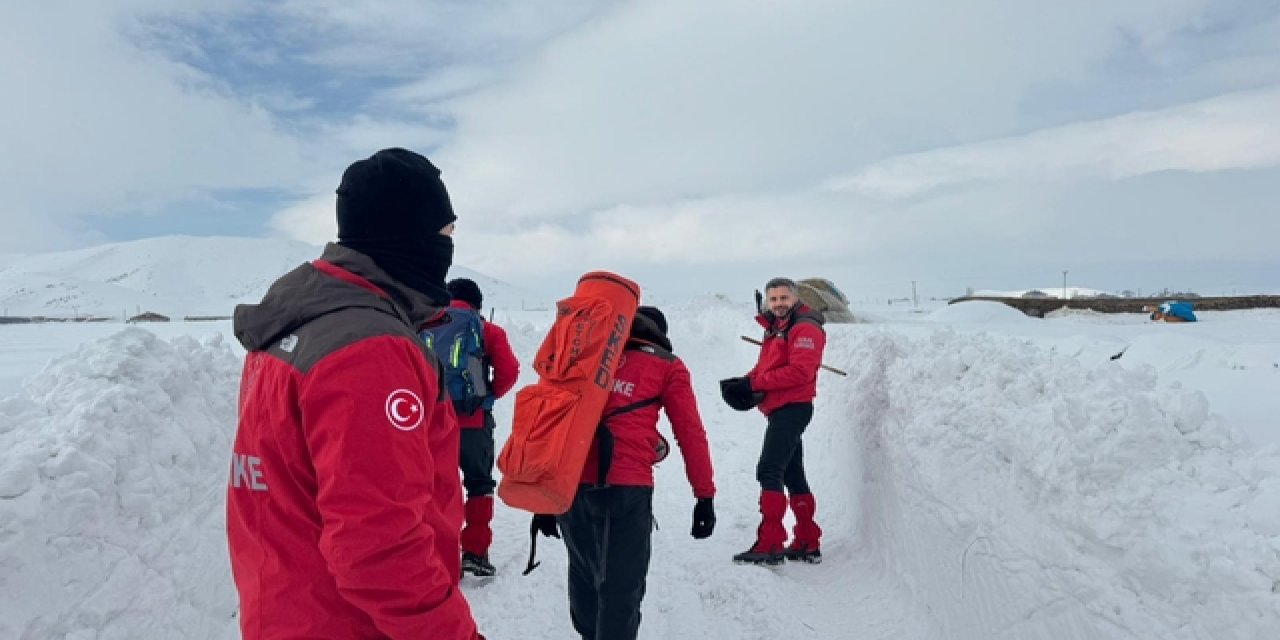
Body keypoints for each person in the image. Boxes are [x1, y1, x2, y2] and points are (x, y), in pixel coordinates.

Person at [227, 148, 484, 639]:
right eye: (445, 234)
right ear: (408, 235)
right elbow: (379, 545)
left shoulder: (292, 328)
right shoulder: (368, 349)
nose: (448, 248)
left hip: (286, 612)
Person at [535, 305, 717, 640]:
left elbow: (547, 423)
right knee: (622, 584)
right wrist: (704, 495)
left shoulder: (582, 358)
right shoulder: (667, 365)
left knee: (584, 573)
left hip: (569, 486)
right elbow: (691, 432)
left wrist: (541, 499)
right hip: (627, 489)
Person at [722, 277, 827, 565]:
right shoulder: (777, 327)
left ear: (795, 298)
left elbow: (800, 372)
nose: (779, 303)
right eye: (774, 299)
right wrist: (745, 381)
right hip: (781, 408)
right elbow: (766, 365)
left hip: (793, 407)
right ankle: (807, 541)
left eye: (783, 298)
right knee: (792, 473)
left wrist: (757, 383)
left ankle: (770, 544)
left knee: (769, 469)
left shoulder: (804, 327)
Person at [439, 277, 520, 577]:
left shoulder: (426, 325)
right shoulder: (487, 330)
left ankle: (441, 553)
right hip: (473, 422)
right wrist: (485, 397)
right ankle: (474, 552)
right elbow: (509, 371)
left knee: (437, 486)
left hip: (433, 424)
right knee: (478, 484)